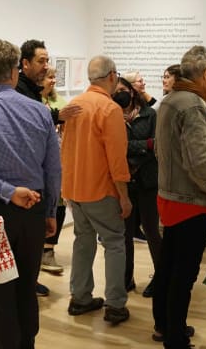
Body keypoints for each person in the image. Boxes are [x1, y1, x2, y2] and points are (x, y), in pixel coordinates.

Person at [0, 39, 61, 349]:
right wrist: (50, 212)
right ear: (13, 71)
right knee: (26, 292)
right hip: (33, 212)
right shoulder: (39, 111)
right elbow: (53, 169)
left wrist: (8, 192)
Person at [152, 45, 206, 349]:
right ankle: (175, 338)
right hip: (190, 203)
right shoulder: (193, 105)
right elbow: (199, 160)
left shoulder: (170, 101)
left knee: (168, 267)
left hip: (170, 197)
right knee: (184, 274)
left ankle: (165, 325)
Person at [61, 55, 133, 325]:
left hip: (75, 189)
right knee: (114, 243)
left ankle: (79, 298)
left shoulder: (74, 104)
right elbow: (117, 159)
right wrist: (124, 196)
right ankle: (115, 305)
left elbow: (65, 150)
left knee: (83, 240)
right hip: (101, 190)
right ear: (113, 76)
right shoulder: (109, 109)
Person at [15, 39, 80, 296]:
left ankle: (28, 282)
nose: (46, 66)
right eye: (41, 61)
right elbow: (30, 122)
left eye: (47, 60)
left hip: (36, 176)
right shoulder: (21, 91)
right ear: (25, 63)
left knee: (31, 242)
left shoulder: (31, 89)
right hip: (26, 178)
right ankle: (25, 286)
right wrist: (56, 117)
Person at [113, 77, 161, 298]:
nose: (119, 93)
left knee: (152, 232)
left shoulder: (149, 114)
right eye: (115, 90)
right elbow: (115, 148)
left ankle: (160, 278)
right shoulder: (112, 115)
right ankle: (126, 279)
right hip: (123, 184)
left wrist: (133, 154)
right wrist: (144, 147)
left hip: (148, 181)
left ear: (132, 92)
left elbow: (157, 145)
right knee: (125, 235)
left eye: (123, 89)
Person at [40, 65, 67, 274]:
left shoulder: (60, 103)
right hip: (38, 163)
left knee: (59, 203)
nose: (53, 81)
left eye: (54, 77)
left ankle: (48, 250)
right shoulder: (33, 103)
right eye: (49, 77)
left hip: (58, 160)